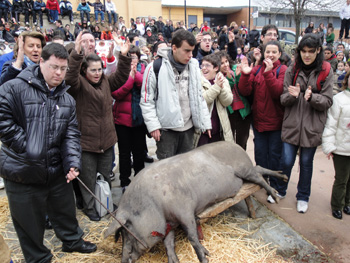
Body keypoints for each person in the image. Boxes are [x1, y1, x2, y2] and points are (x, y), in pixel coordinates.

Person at [0, 42, 97, 263]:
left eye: (63, 69)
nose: (58, 73)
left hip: (55, 169)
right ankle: (38, 257)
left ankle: (72, 240)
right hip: (22, 171)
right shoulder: (13, 88)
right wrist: (32, 147)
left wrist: (73, 162)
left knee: (65, 209)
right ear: (41, 62)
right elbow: (3, 123)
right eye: (54, 67)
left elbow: (71, 135)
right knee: (29, 222)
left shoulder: (67, 99)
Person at [65, 32, 131, 221]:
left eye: (99, 69)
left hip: (107, 140)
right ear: (84, 71)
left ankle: (106, 202)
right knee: (88, 178)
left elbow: (121, 76)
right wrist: (77, 54)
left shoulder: (105, 82)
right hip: (86, 142)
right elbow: (70, 77)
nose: (96, 73)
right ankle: (90, 206)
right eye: (92, 70)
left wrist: (123, 55)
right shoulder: (78, 86)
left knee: (105, 176)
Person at [275, 33, 333, 213]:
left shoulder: (325, 70)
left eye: (311, 51)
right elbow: (283, 99)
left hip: (312, 126)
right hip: (291, 124)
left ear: (318, 51)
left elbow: (328, 100)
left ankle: (303, 196)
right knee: (286, 161)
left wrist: (312, 97)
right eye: (303, 51)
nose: (306, 55)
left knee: (306, 163)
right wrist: (292, 96)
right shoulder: (293, 69)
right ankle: (280, 190)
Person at [140, 29, 212, 160]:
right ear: (174, 48)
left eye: (192, 50)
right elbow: (146, 101)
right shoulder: (155, 67)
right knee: (167, 172)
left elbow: (198, 97)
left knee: (186, 170)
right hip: (166, 131)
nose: (190, 55)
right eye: (186, 50)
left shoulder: (194, 66)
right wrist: (153, 126)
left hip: (188, 129)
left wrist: (205, 122)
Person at [238, 40, 287, 201]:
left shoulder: (283, 70)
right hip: (258, 123)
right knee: (260, 156)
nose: (270, 55)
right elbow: (245, 90)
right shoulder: (257, 68)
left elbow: (277, 92)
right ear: (263, 53)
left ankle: (276, 187)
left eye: (274, 52)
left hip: (276, 123)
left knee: (275, 156)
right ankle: (263, 182)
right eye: (268, 52)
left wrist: (269, 72)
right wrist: (246, 73)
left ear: (279, 54)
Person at [111, 45, 146, 192]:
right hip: (122, 120)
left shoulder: (143, 68)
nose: (132, 59)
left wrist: (134, 75)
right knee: (124, 153)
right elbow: (116, 94)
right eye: (129, 56)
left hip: (138, 120)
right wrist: (130, 80)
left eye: (134, 56)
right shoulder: (119, 72)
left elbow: (144, 84)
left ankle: (140, 180)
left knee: (139, 153)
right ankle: (124, 181)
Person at [322, 70, 350, 219]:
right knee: (342, 178)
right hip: (341, 147)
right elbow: (331, 124)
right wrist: (329, 145)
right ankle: (337, 205)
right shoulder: (339, 99)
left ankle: (348, 202)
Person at [195, 53, 233, 147]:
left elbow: (227, 101)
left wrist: (221, 87)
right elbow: (203, 100)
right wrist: (216, 87)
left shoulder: (223, 80)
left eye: (207, 65)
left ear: (216, 68)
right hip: (202, 132)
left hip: (218, 130)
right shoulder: (197, 80)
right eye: (202, 65)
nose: (204, 68)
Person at [217, 50, 251, 150]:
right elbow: (227, 93)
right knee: (229, 143)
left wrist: (239, 76)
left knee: (242, 142)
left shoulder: (236, 69)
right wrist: (230, 80)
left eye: (226, 61)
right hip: (229, 112)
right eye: (222, 63)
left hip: (243, 112)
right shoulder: (218, 76)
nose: (225, 65)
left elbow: (243, 89)